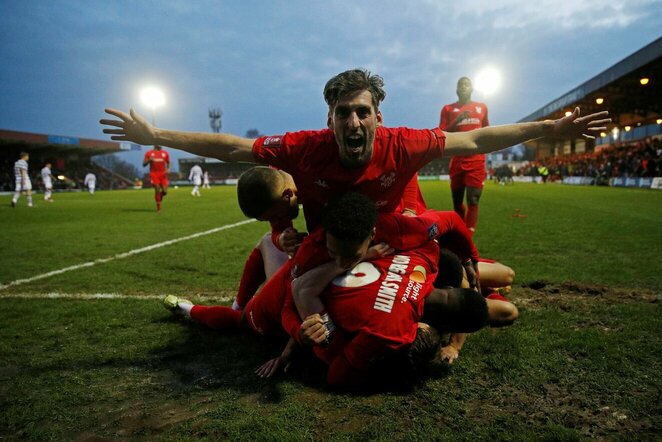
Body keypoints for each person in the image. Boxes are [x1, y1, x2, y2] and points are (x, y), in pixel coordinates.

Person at [101, 68, 610, 230]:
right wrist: (158, 136)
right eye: (343, 112)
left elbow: (476, 139)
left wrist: (547, 126)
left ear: (377, 119)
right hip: (330, 245)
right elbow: (236, 148)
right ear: (330, 119)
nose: (353, 120)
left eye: (362, 112)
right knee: (275, 259)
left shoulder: (402, 143)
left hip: (393, 237)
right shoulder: (304, 148)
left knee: (447, 283)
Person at [439, 77, 489, 235]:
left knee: (473, 199)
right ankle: (460, 230)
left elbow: (487, 131)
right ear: (456, 89)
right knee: (457, 202)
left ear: (472, 88)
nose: (463, 86)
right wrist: (457, 121)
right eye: (460, 84)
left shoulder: (481, 107)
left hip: (476, 160)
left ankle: (468, 236)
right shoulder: (448, 109)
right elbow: (442, 133)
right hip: (457, 160)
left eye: (467, 83)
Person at [142, 145, 170, 212]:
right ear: (155, 144)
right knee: (157, 189)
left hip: (163, 174)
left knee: (165, 192)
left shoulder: (165, 153)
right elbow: (143, 164)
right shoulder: (149, 153)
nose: (161, 145)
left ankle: (159, 197)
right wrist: (149, 160)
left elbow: (168, 162)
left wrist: (168, 169)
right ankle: (158, 208)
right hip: (154, 174)